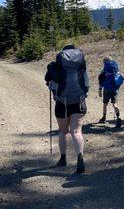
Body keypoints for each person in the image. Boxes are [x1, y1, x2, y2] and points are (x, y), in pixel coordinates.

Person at [45, 44, 89, 173]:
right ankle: (80, 157)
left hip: (62, 103)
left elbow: (47, 79)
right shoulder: (80, 61)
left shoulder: (58, 63)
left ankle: (63, 158)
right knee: (77, 131)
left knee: (63, 131)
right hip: (79, 101)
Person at [98, 56, 123, 128]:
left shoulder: (104, 70)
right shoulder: (116, 68)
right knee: (115, 104)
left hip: (106, 89)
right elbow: (119, 78)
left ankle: (104, 118)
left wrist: (100, 89)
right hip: (115, 89)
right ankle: (118, 118)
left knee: (105, 104)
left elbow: (101, 80)